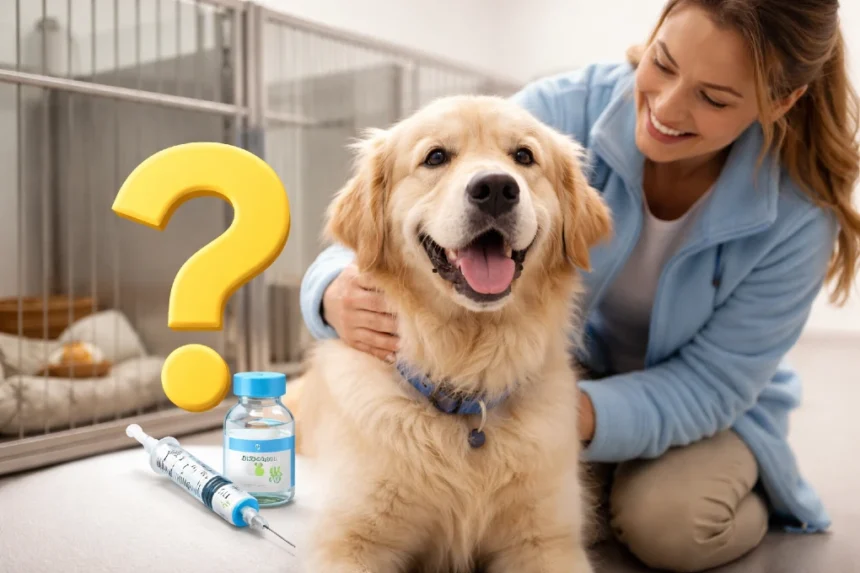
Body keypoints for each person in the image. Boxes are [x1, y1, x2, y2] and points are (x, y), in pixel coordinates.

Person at [299, 0, 860, 571]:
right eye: (662, 64)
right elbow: (376, 227)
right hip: (544, 379)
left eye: (713, 97)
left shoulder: (799, 217)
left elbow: (715, 383)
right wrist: (326, 292)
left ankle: (738, 481)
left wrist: (564, 411)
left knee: (670, 524)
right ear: (653, 34)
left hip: (679, 406)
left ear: (780, 102)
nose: (667, 106)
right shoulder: (557, 109)